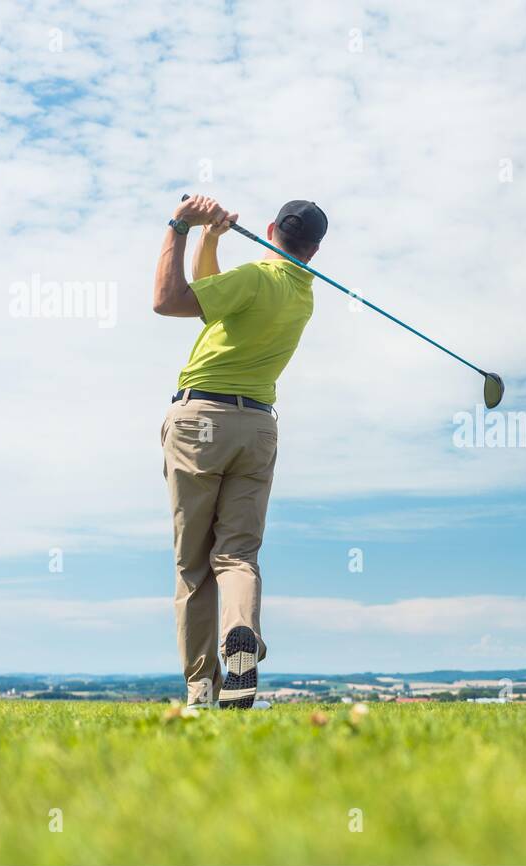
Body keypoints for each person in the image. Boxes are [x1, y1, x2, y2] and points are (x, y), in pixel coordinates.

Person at [152, 194, 328, 709]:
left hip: (201, 421)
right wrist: (212, 238)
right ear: (314, 251)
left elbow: (169, 300)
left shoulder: (255, 278)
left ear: (272, 228)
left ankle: (201, 690)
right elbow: (214, 298)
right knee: (236, 555)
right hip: (256, 429)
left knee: (193, 565)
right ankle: (240, 640)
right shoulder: (301, 294)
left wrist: (179, 226)